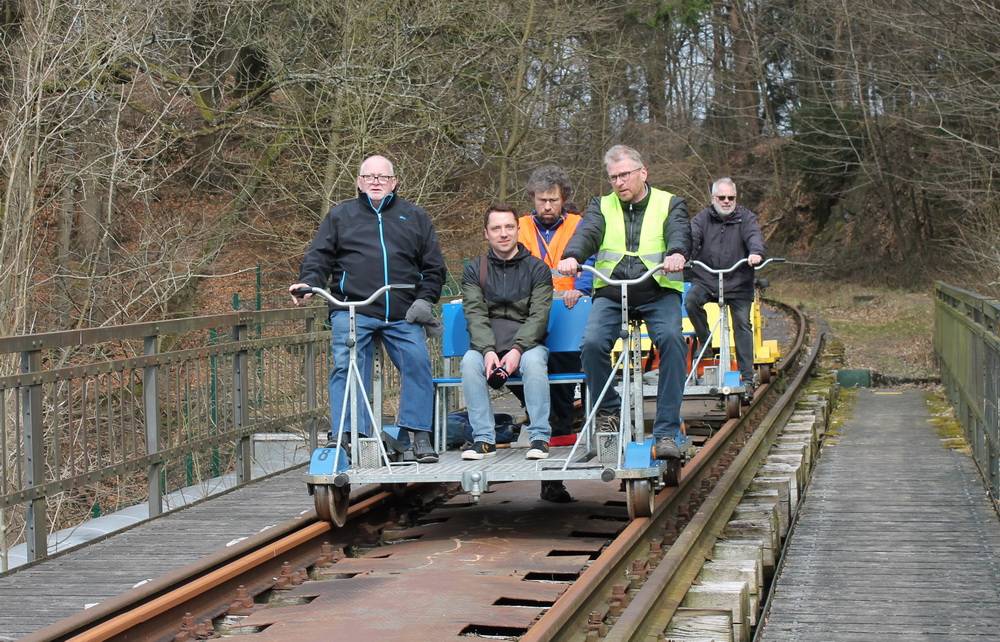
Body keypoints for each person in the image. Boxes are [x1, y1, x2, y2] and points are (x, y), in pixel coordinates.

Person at [289, 154, 446, 463]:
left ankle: (418, 433)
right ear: (359, 182)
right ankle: (346, 434)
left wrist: (424, 300)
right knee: (345, 363)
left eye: (383, 177)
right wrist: (308, 283)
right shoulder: (340, 217)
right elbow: (318, 257)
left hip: (402, 312)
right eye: (369, 177)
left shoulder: (415, 217)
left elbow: (434, 267)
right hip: (354, 309)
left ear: (394, 183)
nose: (376, 182)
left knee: (417, 360)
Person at [558, 145, 690, 460]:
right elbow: (587, 233)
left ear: (642, 173)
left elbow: (679, 233)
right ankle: (609, 411)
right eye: (613, 177)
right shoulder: (601, 206)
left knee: (672, 341)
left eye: (625, 175)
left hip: (658, 288)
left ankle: (667, 430)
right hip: (613, 292)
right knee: (590, 344)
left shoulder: (670, 203)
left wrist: (676, 253)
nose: (619, 183)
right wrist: (573, 256)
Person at [516, 165, 594, 502]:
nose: (547, 206)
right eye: (541, 200)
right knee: (522, 373)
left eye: (553, 200)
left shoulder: (580, 226)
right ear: (533, 198)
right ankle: (551, 425)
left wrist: (583, 287)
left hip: (570, 310)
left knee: (564, 376)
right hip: (528, 313)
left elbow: (594, 261)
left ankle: (557, 449)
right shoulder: (518, 227)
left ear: (564, 200)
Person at [460, 204, 553, 462]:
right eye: (496, 228)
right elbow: (475, 315)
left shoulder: (537, 269)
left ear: (517, 230)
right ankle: (484, 439)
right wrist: (488, 351)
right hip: (487, 345)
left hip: (527, 345)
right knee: (469, 363)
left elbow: (539, 316)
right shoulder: (474, 270)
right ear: (486, 233)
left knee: (534, 363)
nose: (503, 233)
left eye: (509, 227)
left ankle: (539, 437)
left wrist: (517, 351)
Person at [686, 177, 765, 403]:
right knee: (691, 300)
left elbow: (754, 237)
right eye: (722, 197)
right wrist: (684, 255)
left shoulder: (746, 218)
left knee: (742, 323)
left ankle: (747, 378)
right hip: (707, 279)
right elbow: (692, 238)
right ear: (713, 199)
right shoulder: (701, 219)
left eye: (731, 197)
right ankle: (706, 343)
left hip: (738, 281)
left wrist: (756, 253)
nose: (727, 201)